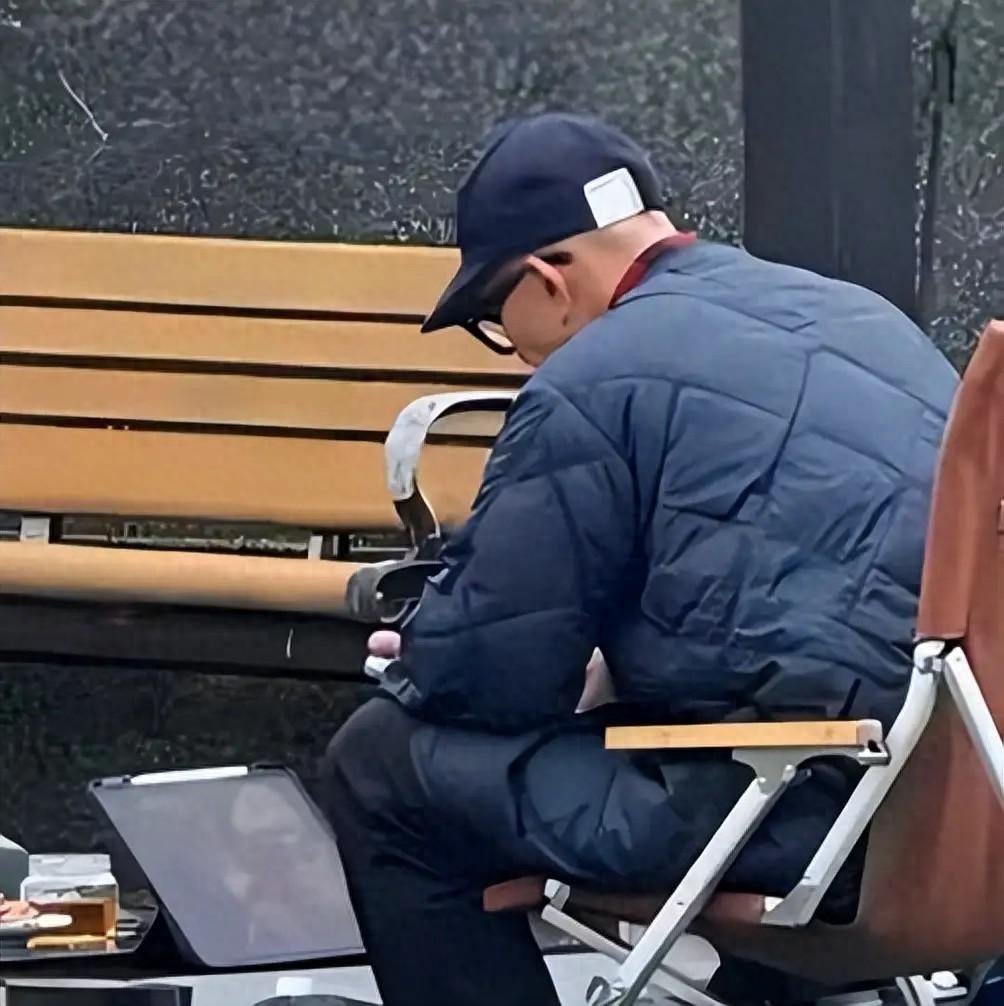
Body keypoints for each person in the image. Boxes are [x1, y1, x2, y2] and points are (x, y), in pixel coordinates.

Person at [322, 114, 958, 1006]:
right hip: (952, 814)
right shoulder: (865, 319)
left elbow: (491, 677)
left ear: (547, 280)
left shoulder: (592, 379)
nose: (516, 351)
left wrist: (425, 654)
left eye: (497, 323)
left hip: (790, 813)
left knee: (380, 766)